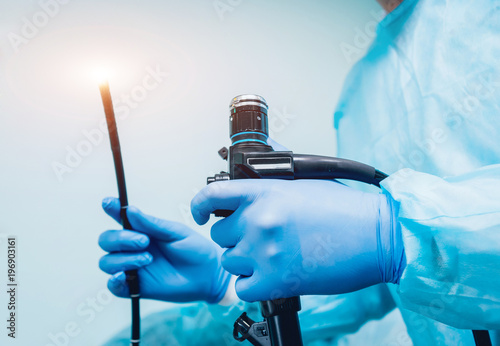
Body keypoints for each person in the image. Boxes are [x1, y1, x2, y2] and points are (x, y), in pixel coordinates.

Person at [99, 0, 500, 344]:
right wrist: (226, 286)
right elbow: (373, 284)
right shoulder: (360, 92)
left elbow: (392, 246)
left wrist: (393, 231)